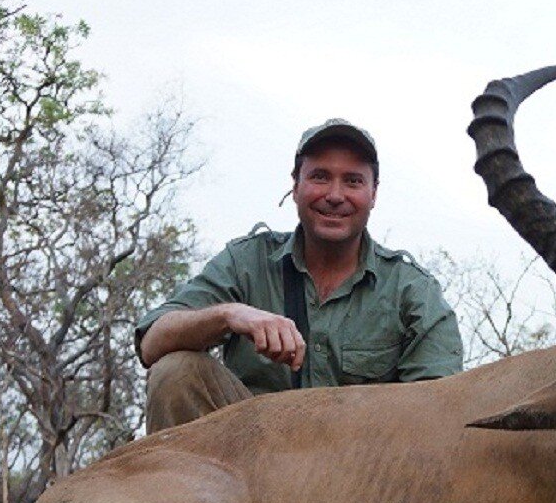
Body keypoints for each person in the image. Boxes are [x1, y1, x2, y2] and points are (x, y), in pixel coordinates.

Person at [135, 119, 463, 432]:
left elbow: (439, 414)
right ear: (295, 186)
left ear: (373, 194)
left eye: (353, 181)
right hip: (245, 464)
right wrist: (230, 315)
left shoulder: (414, 291)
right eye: (320, 177)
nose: (335, 195)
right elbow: (151, 343)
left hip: (363, 473)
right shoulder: (246, 261)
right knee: (175, 372)